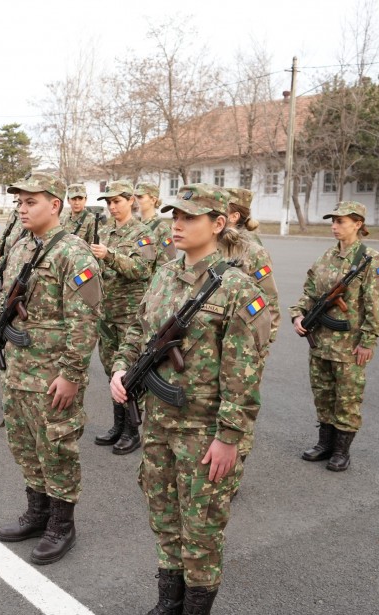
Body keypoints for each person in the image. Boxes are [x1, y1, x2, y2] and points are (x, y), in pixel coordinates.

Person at [110, 184, 272, 615]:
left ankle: (196, 608)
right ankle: (169, 603)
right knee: (164, 520)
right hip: (159, 423)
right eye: (174, 216)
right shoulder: (164, 274)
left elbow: (245, 374)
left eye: (189, 217)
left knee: (200, 531)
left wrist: (230, 437)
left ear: (218, 224)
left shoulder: (238, 288)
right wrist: (120, 368)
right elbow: (137, 330)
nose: (177, 225)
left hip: (205, 433)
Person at [0, 172, 101, 565]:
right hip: (17, 367)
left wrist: (71, 375)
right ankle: (38, 512)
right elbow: (7, 297)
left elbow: (85, 322)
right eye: (19, 202)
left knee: (56, 447)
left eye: (31, 201)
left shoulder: (74, 254)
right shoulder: (20, 247)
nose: (22, 208)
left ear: (55, 206)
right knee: (25, 443)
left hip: (52, 374)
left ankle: (62, 525)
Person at [290, 201, 379, 472]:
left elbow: (377, 305)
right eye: (333, 221)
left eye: (341, 221)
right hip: (321, 342)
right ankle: (324, 444)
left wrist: (368, 341)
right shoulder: (326, 257)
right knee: (323, 394)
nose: (335, 226)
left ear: (358, 224)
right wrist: (298, 315)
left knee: (347, 397)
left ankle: (341, 451)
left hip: (349, 346)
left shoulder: (371, 259)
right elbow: (309, 292)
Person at [90, 179, 155, 455]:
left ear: (131, 200)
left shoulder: (142, 234)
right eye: (108, 202)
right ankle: (117, 425)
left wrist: (110, 256)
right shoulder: (104, 232)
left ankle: (132, 429)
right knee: (110, 371)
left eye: (117, 201)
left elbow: (142, 269)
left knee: (129, 371)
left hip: (130, 316)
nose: (112, 206)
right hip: (106, 313)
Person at [220, 186, 280, 463]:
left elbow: (269, 304)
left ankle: (235, 468)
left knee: (239, 405)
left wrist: (260, 347)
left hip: (244, 345)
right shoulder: (212, 245)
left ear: (233, 216)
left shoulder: (253, 251)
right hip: (213, 342)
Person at [135, 182, 177, 270]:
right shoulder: (133, 225)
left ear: (153, 200)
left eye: (140, 197)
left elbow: (166, 264)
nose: (136, 200)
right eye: (135, 197)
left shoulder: (162, 228)